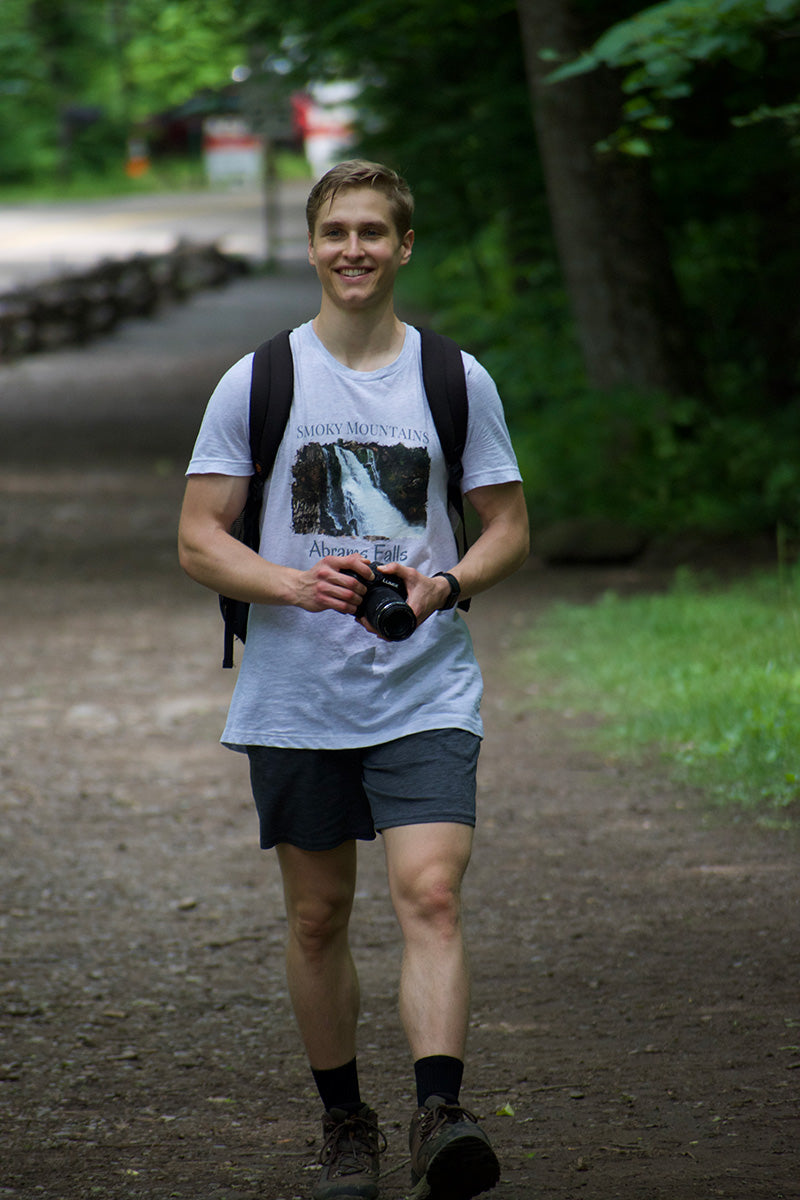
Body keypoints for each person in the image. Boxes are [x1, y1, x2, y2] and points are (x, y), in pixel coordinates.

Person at [178, 160, 530, 1200]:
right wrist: (292, 580)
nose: (354, 250)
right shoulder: (258, 382)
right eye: (336, 231)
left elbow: (508, 529)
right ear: (312, 244)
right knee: (316, 918)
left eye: (374, 232)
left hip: (423, 684)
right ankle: (345, 1127)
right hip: (297, 693)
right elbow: (198, 538)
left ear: (403, 246)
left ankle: (440, 1112)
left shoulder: (453, 380)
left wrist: (443, 587)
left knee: (429, 895)